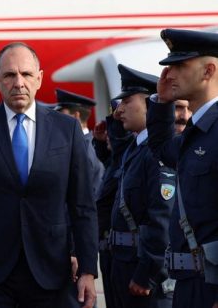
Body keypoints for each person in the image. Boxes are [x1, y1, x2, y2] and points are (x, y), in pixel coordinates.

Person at [0, 42, 98, 308]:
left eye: (26, 74)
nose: (19, 82)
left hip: (52, 271)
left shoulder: (66, 130)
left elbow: (82, 205)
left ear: (39, 79)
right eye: (10, 75)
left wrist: (88, 269)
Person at [146, 28, 218, 308]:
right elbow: (163, 150)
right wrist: (161, 103)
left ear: (208, 71)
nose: (169, 74)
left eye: (179, 65)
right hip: (190, 284)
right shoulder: (197, 131)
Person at [109, 64, 175, 308]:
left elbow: (161, 217)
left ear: (149, 104)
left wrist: (147, 274)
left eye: (126, 101)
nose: (120, 109)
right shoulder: (135, 148)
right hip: (125, 264)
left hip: (143, 273)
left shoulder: (155, 152)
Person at [92, 101, 134, 308]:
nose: (108, 134)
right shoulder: (117, 162)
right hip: (111, 249)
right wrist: (101, 143)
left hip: (130, 255)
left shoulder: (134, 156)